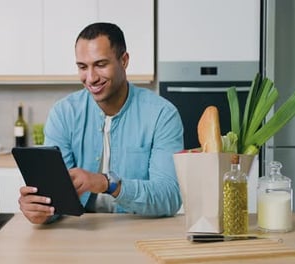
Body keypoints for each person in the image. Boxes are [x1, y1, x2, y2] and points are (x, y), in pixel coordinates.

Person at [18, 22, 184, 224]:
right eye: (82, 67)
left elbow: (169, 197)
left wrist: (107, 183)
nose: (91, 78)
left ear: (124, 60)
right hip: (81, 233)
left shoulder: (162, 115)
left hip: (140, 231)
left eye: (100, 64)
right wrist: (40, 209)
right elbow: (57, 200)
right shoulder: (63, 114)